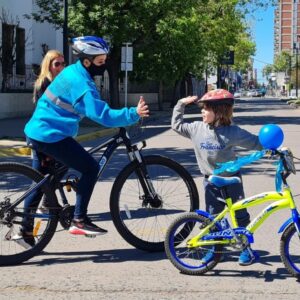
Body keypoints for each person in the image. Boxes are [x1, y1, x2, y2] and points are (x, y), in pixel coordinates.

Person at [21, 36, 149, 244]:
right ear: (87, 61)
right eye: (100, 62)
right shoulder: (81, 83)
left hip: (41, 131)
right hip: (50, 134)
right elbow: (102, 115)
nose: (104, 65)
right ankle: (79, 220)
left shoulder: (74, 71)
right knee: (89, 168)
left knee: (43, 181)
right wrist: (132, 113)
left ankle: (25, 232)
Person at [171, 88, 262, 266]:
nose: (202, 112)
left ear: (219, 112)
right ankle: (214, 250)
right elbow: (176, 125)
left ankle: (245, 248)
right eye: (202, 108)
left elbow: (257, 143)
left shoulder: (233, 132)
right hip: (210, 181)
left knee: (240, 215)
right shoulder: (196, 128)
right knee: (213, 218)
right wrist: (180, 104)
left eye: (206, 109)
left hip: (233, 180)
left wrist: (275, 147)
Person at [32, 50, 66, 211]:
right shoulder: (45, 83)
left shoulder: (56, 83)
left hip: (51, 134)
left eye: (63, 63)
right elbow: (54, 107)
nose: (60, 67)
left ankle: (48, 201)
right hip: (43, 135)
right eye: (57, 64)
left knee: (60, 166)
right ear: (49, 65)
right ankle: (25, 222)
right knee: (39, 180)